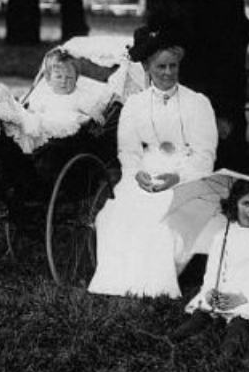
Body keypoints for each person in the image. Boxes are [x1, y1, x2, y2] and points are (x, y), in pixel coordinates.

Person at [87, 25, 218, 299]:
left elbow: (205, 154)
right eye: (161, 67)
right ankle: (121, 282)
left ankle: (157, 286)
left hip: (189, 172)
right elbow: (129, 151)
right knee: (124, 210)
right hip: (147, 169)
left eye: (173, 66)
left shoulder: (197, 103)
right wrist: (136, 175)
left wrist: (178, 177)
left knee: (162, 211)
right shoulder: (135, 105)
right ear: (147, 67)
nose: (168, 73)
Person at [170, 178, 249, 355]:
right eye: (246, 203)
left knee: (243, 318)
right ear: (235, 205)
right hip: (225, 288)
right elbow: (212, 271)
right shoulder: (223, 236)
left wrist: (243, 297)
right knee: (204, 309)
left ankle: (233, 341)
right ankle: (190, 327)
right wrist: (211, 289)